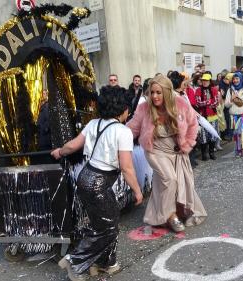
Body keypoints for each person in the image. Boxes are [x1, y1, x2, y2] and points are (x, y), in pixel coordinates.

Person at [52, 86, 143, 281]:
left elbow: (72, 146)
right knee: (108, 227)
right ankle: (74, 261)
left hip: (85, 178)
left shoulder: (94, 123)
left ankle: (105, 263)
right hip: (98, 183)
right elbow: (127, 168)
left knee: (104, 223)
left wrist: (59, 152)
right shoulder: (123, 131)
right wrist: (137, 191)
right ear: (123, 109)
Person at [127, 75, 206, 233]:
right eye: (152, 92)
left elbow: (193, 123)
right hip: (155, 150)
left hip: (176, 150)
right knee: (170, 179)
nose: (154, 96)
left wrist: (188, 143)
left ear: (167, 92)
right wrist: (111, 131)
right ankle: (170, 215)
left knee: (176, 182)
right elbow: (131, 128)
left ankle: (166, 213)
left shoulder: (180, 104)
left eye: (158, 92)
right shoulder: (144, 108)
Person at [225, 71, 243, 157]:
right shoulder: (230, 90)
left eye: (237, 78)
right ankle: (238, 150)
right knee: (236, 134)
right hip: (234, 116)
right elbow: (226, 104)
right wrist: (231, 100)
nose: (235, 80)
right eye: (234, 79)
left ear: (240, 79)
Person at [195, 73, 219, 161]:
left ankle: (211, 152)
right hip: (202, 116)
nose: (204, 82)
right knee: (203, 136)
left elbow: (216, 102)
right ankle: (204, 154)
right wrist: (209, 102)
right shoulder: (198, 90)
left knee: (212, 135)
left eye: (206, 80)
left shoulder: (214, 89)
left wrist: (205, 102)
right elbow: (198, 103)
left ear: (210, 81)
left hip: (213, 116)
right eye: (203, 80)